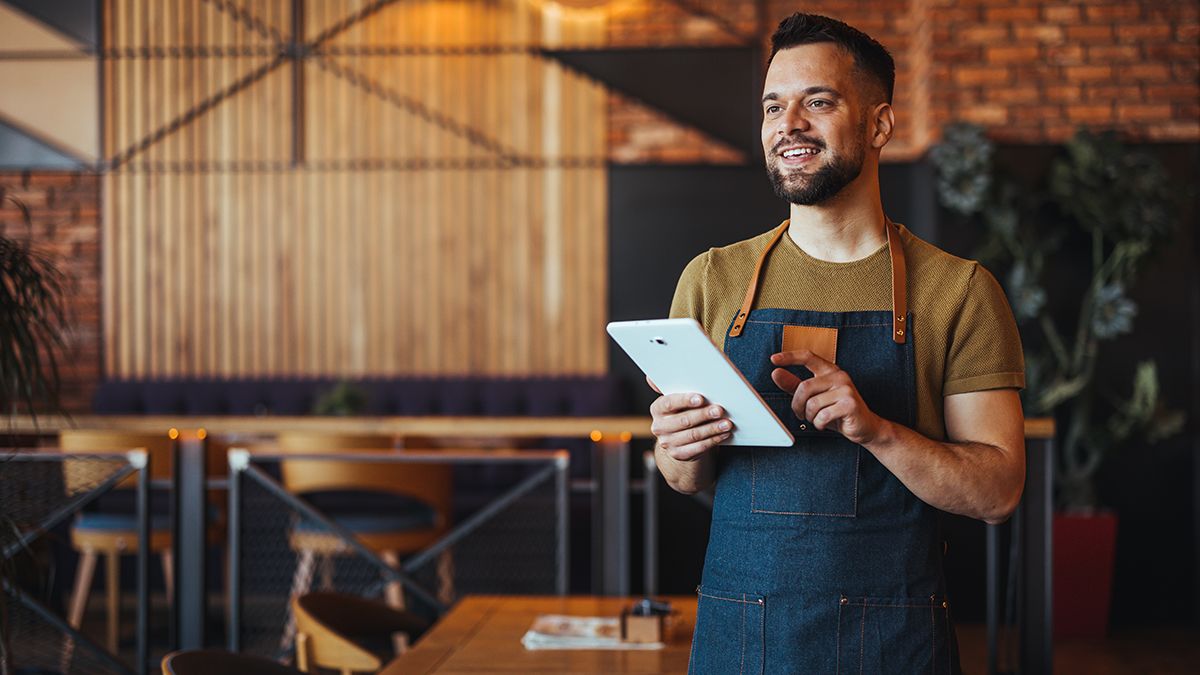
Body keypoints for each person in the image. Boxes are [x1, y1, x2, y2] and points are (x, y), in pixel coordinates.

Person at [649, 13, 1026, 674]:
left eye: (817, 101)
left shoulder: (958, 290)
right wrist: (676, 446)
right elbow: (683, 476)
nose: (787, 123)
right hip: (740, 639)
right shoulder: (712, 280)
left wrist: (876, 430)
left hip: (894, 643)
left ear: (878, 124)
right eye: (773, 106)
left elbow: (999, 491)